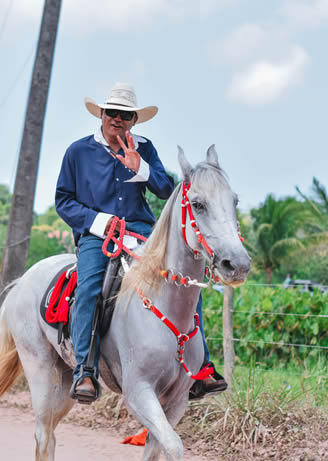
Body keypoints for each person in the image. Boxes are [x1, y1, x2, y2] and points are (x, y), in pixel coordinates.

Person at [55, 82, 227, 403]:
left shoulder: (145, 148)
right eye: (112, 112)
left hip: (142, 232)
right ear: (102, 114)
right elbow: (63, 200)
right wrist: (99, 221)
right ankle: (85, 370)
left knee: (185, 282)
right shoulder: (78, 152)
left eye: (126, 115)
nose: (117, 119)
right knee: (89, 288)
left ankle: (200, 368)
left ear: (134, 121)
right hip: (97, 234)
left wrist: (141, 167)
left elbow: (167, 189)